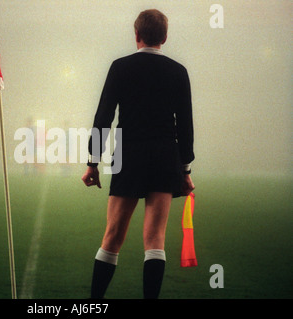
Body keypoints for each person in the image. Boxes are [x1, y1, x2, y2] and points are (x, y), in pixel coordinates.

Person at [81, 9, 195, 299]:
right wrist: (185, 171)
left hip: (129, 155)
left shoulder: (120, 67)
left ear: (136, 35)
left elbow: (103, 117)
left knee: (113, 236)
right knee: (155, 239)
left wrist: (92, 162)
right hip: (166, 157)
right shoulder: (178, 71)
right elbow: (185, 124)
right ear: (165, 38)